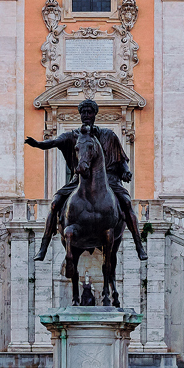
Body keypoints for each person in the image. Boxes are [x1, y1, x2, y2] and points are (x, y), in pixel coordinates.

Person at [26, 97, 143, 262]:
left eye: (89, 112)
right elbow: (53, 142)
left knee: (126, 202)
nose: (86, 115)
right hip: (79, 180)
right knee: (55, 203)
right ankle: (44, 246)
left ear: (95, 114)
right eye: (83, 112)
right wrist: (38, 144)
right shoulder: (73, 136)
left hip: (109, 180)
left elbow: (121, 159)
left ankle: (139, 244)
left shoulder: (109, 135)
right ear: (80, 115)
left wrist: (126, 172)